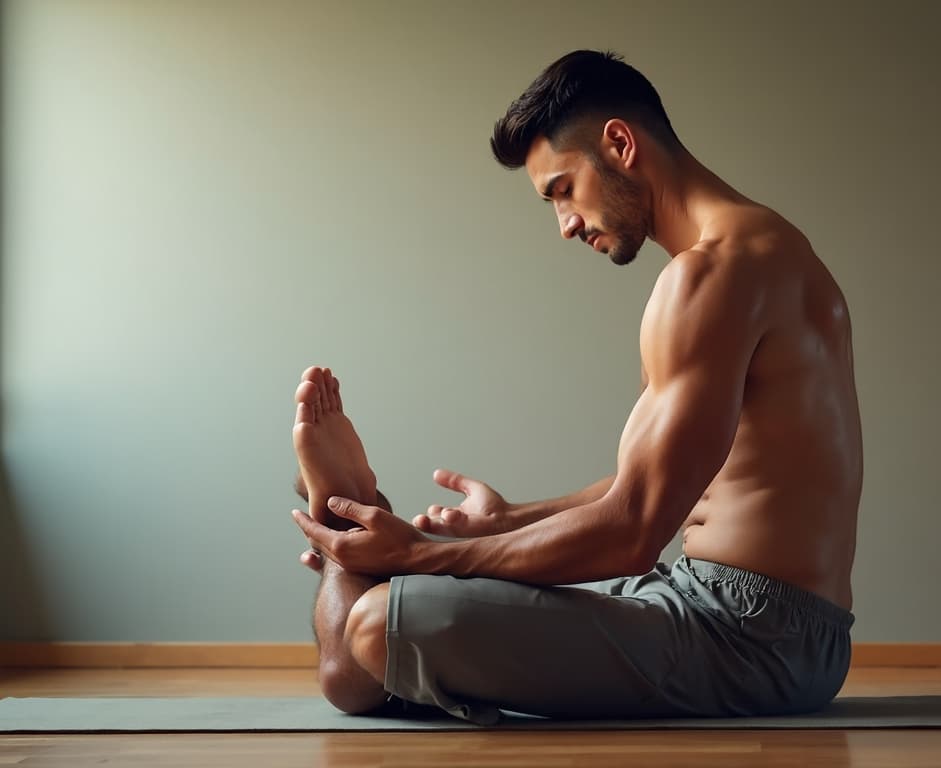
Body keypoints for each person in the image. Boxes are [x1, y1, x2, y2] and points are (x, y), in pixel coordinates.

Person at [289, 50, 863, 724]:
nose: (564, 222)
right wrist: (510, 522)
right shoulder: (764, 250)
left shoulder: (710, 279)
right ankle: (352, 515)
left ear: (619, 144)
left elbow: (631, 531)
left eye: (562, 189)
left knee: (376, 624)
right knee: (359, 660)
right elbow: (659, 482)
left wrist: (422, 556)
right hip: (744, 618)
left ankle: (343, 510)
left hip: (749, 638)